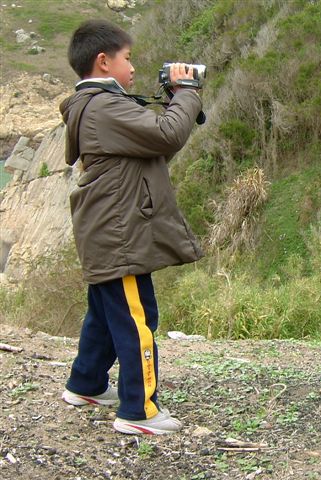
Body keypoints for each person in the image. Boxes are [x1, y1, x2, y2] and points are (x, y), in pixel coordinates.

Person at [59, 20, 204, 435]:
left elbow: (148, 149)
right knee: (137, 319)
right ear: (104, 62)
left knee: (105, 316)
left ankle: (85, 384)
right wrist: (188, 93)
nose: (134, 66)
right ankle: (139, 411)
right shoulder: (105, 106)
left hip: (107, 232)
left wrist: (177, 100)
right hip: (119, 237)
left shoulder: (95, 105)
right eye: (128, 58)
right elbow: (167, 134)